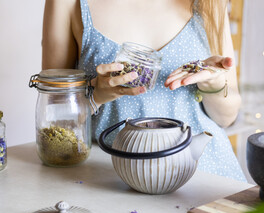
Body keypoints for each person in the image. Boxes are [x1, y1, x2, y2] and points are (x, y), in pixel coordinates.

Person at [42, 0, 246, 181]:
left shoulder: (211, 3)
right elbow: (56, 115)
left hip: (203, 175)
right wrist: (96, 96)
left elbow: (226, 118)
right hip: (112, 179)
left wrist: (214, 84)